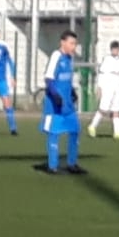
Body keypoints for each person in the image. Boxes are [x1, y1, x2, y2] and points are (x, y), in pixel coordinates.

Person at [40, 30, 86, 175]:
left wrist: (72, 92)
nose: (74, 46)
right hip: (54, 105)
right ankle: (52, 166)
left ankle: (72, 164)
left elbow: (66, 80)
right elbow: (49, 79)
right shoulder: (56, 56)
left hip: (67, 104)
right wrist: (55, 96)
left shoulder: (69, 59)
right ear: (63, 42)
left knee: (75, 130)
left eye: (75, 44)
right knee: (54, 133)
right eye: (71, 43)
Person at [88, 40, 119, 140]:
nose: (114, 51)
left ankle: (117, 133)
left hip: (117, 89)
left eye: (116, 49)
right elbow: (101, 74)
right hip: (107, 88)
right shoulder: (107, 60)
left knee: (117, 110)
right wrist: (99, 87)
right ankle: (92, 126)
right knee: (103, 109)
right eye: (113, 49)